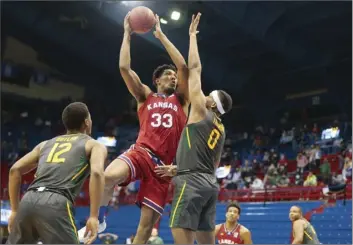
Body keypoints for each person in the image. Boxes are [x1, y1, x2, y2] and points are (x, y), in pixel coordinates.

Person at [78, 12, 190, 243]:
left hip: (164, 167)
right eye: (168, 75)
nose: (173, 78)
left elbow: (184, 68)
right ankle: (97, 220)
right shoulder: (145, 96)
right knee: (106, 177)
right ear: (157, 80)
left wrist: (161, 36)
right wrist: (127, 34)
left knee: (146, 227)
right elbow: (123, 68)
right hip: (141, 153)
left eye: (173, 76)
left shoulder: (181, 100)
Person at [155, 13, 233, 244]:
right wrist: (180, 168)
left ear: (212, 103)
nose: (204, 94)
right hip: (209, 184)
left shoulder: (201, 108)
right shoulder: (221, 127)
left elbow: (194, 68)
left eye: (209, 95)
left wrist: (191, 36)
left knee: (181, 235)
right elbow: (212, 163)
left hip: (191, 183)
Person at [7, 102, 106, 244]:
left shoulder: (44, 144)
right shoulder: (94, 145)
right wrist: (93, 216)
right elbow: (97, 174)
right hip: (56, 201)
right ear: (86, 122)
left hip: (28, 199)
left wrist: (15, 211)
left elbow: (14, 170)